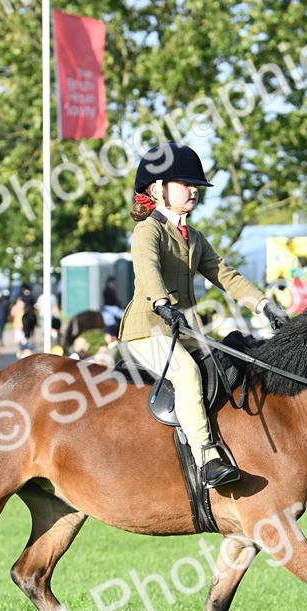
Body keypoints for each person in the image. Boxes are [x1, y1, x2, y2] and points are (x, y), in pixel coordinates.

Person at [120, 142, 288, 488]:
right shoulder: (147, 230)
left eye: (195, 185)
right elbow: (148, 270)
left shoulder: (194, 237)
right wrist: (163, 303)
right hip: (147, 327)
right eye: (185, 184)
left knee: (232, 366)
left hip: (182, 329)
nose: (193, 190)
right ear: (156, 189)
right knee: (185, 376)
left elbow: (225, 274)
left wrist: (263, 304)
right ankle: (206, 458)